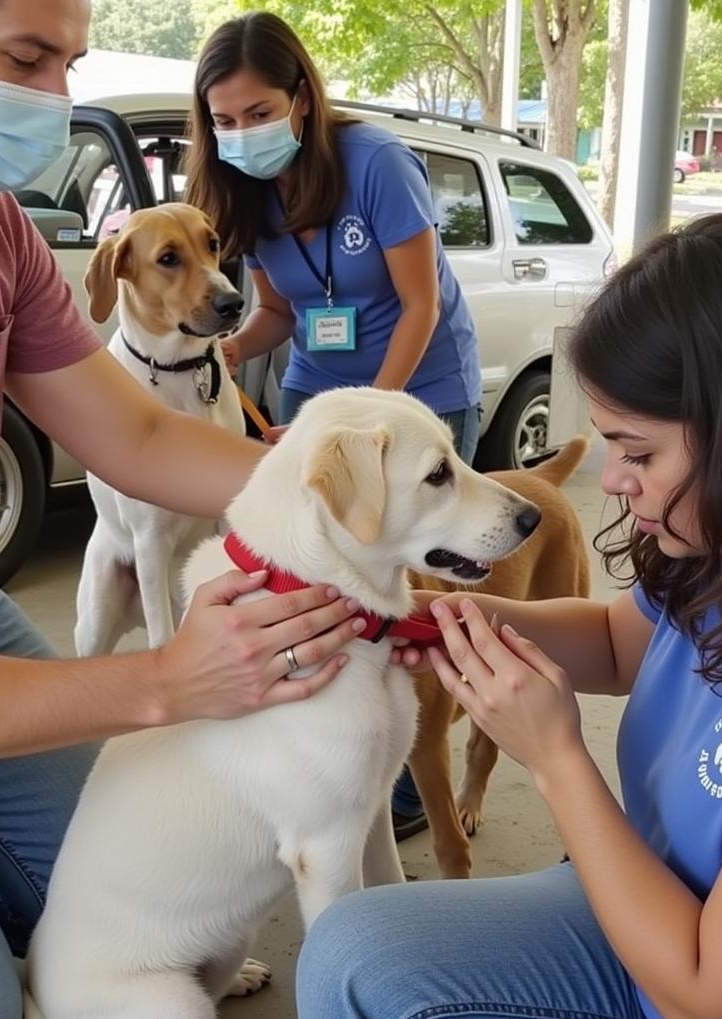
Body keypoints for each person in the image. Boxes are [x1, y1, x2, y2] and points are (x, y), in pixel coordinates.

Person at [296, 212, 722, 1019]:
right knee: (352, 949)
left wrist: (556, 757)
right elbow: (616, 641)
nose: (615, 481)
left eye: (638, 454)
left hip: (716, 986)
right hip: (655, 900)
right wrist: (435, 616)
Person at [0, 2, 366, 1019]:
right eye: (24, 58)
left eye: (67, 62)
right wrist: (161, 680)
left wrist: (339, 495)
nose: (53, 98)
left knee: (155, 884)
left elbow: (145, 439)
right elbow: (154, 659)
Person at [186, 11, 484, 838]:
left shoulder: (376, 164)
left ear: (301, 102)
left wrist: (375, 423)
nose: (242, 133)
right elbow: (279, 310)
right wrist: (220, 350)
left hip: (417, 395)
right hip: (314, 401)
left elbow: (421, 303)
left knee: (396, 591)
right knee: (311, 581)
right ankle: (318, 745)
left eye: (258, 112)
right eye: (226, 120)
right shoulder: (245, 191)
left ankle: (399, 772)